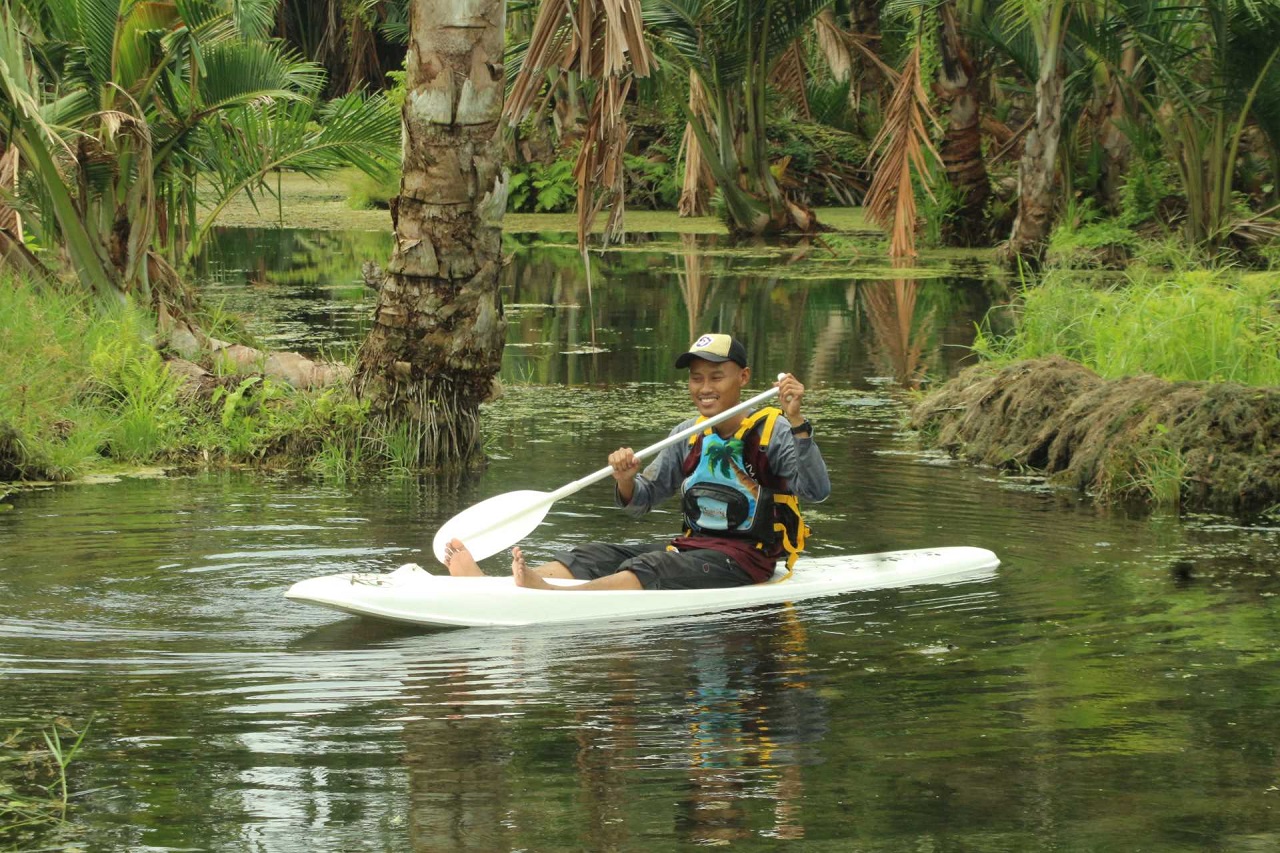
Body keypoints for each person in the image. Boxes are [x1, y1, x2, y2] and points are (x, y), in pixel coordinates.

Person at [444, 333, 831, 590]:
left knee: (653, 566)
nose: (705, 388)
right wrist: (626, 480)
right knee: (594, 553)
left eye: (717, 377)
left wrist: (798, 422)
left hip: (748, 560)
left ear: (743, 377)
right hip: (694, 548)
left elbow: (817, 492)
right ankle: (503, 584)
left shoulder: (774, 431)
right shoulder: (689, 432)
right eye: (697, 378)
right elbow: (642, 501)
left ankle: (548, 593)